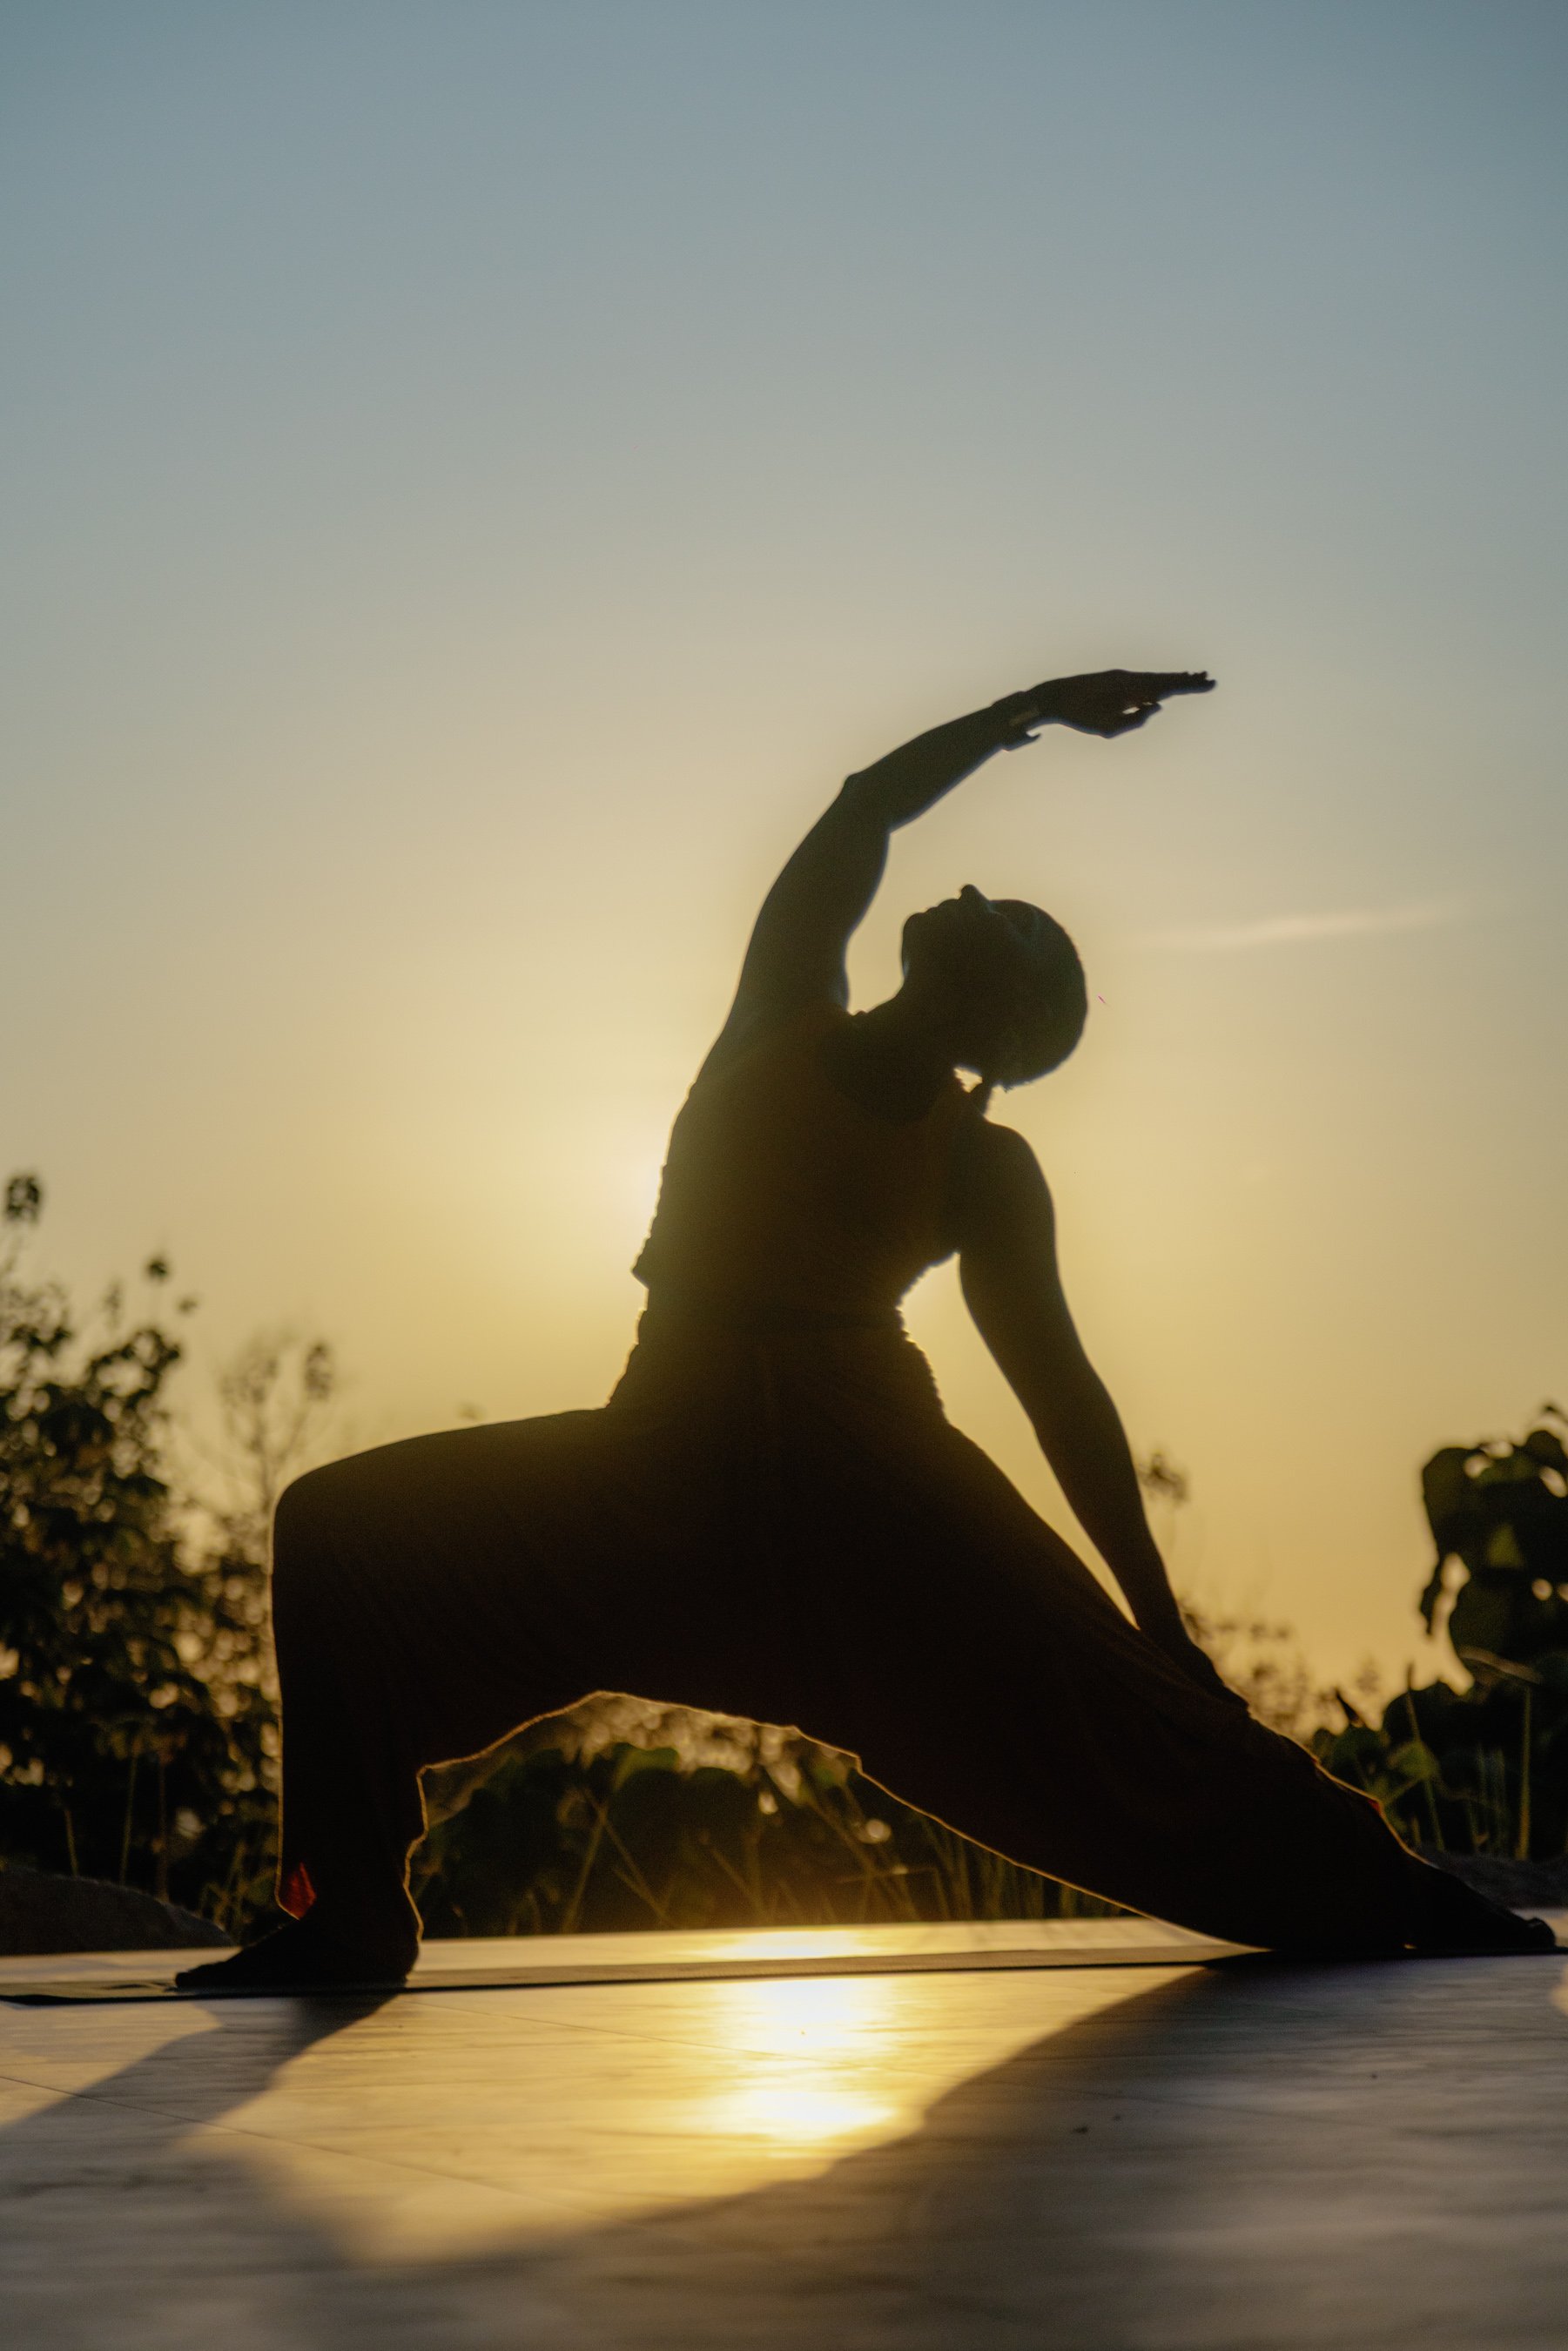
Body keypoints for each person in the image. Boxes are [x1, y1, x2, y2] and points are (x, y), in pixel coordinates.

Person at [179, 666, 1552, 1991]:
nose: (961, 889)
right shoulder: (778, 1010)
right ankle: (351, 1913)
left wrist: (1155, 1619)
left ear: (1006, 1019)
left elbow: (1060, 1395)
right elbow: (861, 812)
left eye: (1005, 916)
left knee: (1124, 1711)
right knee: (340, 1531)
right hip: (668, 1448)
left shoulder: (981, 1165)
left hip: (874, 1477)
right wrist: (1024, 714)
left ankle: (1396, 1889)